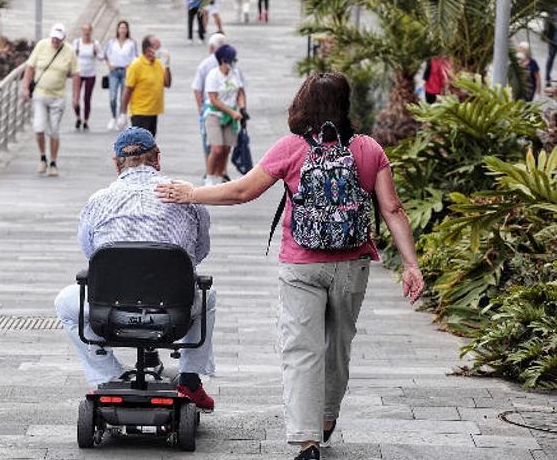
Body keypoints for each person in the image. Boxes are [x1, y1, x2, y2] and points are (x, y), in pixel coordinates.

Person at [156, 73, 425, 460]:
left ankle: (307, 440)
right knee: (338, 349)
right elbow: (392, 209)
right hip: (352, 264)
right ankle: (327, 417)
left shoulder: (293, 148)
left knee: (302, 351)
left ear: (304, 104)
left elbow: (242, 191)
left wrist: (191, 194)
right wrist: (411, 265)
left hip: (301, 265)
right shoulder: (368, 149)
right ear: (345, 104)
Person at [54, 126, 216, 411]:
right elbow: (199, 253)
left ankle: (108, 375)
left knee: (66, 302)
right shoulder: (187, 197)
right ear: (157, 159)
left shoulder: (97, 201)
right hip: (172, 314)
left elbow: (93, 255)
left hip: (110, 313)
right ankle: (189, 378)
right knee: (207, 295)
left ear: (117, 164)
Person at [22, 23, 80, 177]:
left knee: (53, 130)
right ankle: (43, 157)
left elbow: (76, 74)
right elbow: (30, 66)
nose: (55, 41)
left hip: (58, 96)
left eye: (58, 39)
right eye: (54, 38)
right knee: (39, 127)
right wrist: (25, 88)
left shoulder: (69, 51)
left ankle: (53, 162)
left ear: (64, 39)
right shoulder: (42, 45)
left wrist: (75, 97)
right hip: (40, 94)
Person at [203, 45, 245, 186]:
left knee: (227, 148)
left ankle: (220, 176)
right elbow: (214, 99)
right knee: (217, 148)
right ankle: (209, 177)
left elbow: (239, 93)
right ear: (223, 60)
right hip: (215, 114)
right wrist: (232, 112)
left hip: (231, 116)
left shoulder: (235, 74)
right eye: (231, 60)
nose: (233, 63)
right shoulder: (213, 75)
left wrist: (242, 108)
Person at [120, 35, 172, 137]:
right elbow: (128, 90)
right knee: (142, 147)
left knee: (150, 146)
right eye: (157, 48)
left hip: (154, 112)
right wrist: (123, 113)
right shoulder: (136, 66)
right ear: (148, 49)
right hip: (140, 113)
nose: (160, 51)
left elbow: (167, 83)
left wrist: (167, 66)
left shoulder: (158, 63)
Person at [104, 20, 139, 131]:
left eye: (124, 28)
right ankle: (113, 116)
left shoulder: (131, 43)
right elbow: (106, 55)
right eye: (121, 28)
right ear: (117, 30)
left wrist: (130, 66)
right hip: (114, 71)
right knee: (113, 97)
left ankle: (122, 117)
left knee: (124, 97)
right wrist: (109, 64)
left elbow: (135, 57)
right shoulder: (112, 42)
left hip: (126, 71)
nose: (122, 30)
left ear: (127, 30)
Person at [71, 24, 103, 132]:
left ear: (91, 31)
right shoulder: (77, 43)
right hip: (78, 73)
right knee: (76, 97)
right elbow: (71, 56)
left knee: (87, 98)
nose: (86, 32)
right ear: (82, 31)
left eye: (88, 30)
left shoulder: (95, 43)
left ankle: (85, 120)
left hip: (90, 73)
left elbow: (101, 57)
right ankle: (78, 117)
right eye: (84, 30)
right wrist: (75, 53)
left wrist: (96, 52)